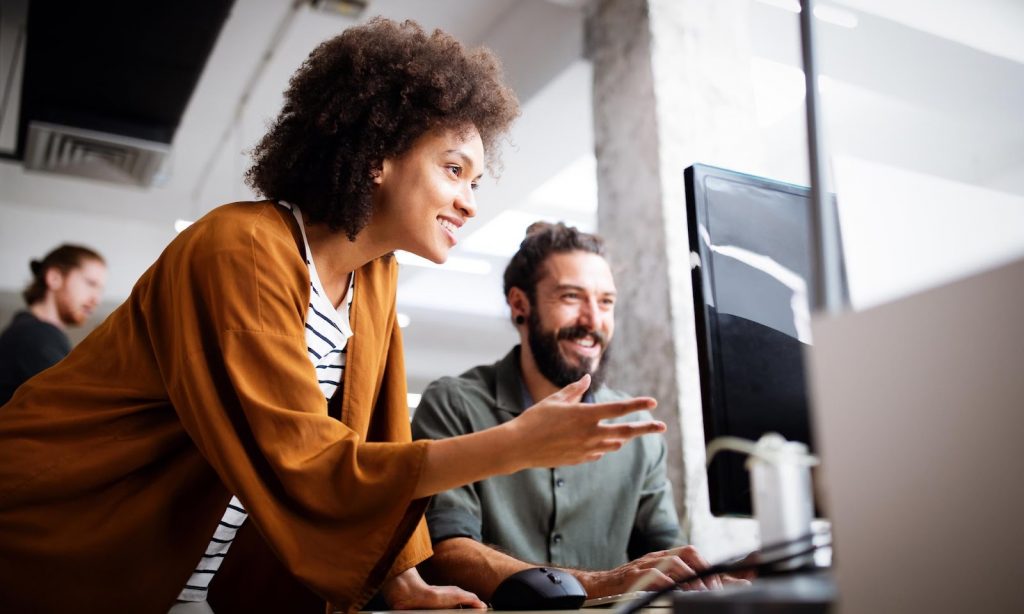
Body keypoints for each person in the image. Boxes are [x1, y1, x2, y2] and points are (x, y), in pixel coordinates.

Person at [0, 19, 666, 614]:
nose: (468, 203)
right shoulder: (241, 248)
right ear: (378, 154)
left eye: (475, 182)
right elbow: (307, 462)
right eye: (454, 169)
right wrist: (516, 443)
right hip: (59, 541)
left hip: (181, 576)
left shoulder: (374, 277)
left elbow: (376, 438)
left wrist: (409, 588)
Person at [412, 222, 731, 600]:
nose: (593, 321)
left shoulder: (637, 429)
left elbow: (664, 555)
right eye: (571, 297)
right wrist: (595, 583)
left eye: (606, 302)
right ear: (520, 305)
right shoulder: (455, 406)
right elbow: (445, 552)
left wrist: (726, 577)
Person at [0, 244, 107, 406]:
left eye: (100, 290)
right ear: (54, 278)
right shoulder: (35, 335)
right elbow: (75, 407)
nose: (96, 299)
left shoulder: (32, 332)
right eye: (90, 283)